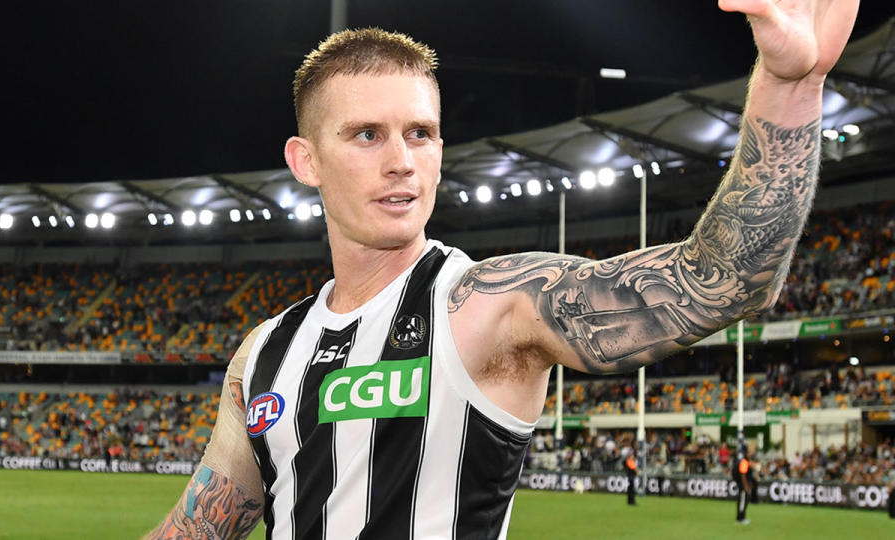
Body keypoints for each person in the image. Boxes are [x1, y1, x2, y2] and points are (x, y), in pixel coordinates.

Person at [146, 1, 860, 538]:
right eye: (366, 134)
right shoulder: (264, 354)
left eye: (419, 133)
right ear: (306, 160)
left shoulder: (486, 305)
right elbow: (199, 526)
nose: (401, 159)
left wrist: (789, 85)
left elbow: (722, 279)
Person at [733, 446, 751, 524]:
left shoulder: (745, 461)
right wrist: (746, 485)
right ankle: (740, 518)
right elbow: (743, 475)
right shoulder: (744, 462)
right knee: (742, 501)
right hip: (742, 485)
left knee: (744, 500)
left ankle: (742, 516)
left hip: (742, 484)